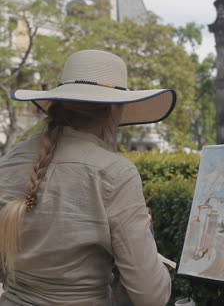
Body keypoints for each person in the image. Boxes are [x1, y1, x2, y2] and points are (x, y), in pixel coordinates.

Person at [0, 49, 177, 306]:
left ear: (57, 103)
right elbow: (152, 296)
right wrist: (143, 233)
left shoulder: (11, 159)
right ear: (116, 109)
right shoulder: (116, 172)